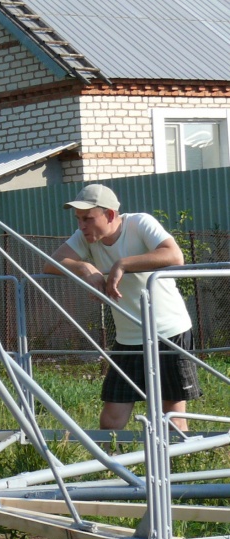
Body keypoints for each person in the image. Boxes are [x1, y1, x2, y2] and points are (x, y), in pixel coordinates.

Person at [44, 183, 200, 431]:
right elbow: (51, 263)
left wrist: (123, 264)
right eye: (78, 219)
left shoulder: (140, 223)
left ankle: (175, 468)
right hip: (128, 339)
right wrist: (85, 268)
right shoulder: (87, 238)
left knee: (172, 417)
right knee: (112, 418)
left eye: (88, 218)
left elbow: (174, 256)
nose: (81, 226)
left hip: (169, 332)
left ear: (110, 215)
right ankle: (111, 469)